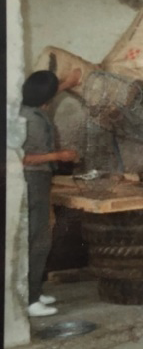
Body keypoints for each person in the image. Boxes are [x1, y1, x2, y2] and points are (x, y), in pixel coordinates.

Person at [21, 69, 81, 317]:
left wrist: (66, 83)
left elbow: (45, 95)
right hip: (33, 179)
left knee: (39, 236)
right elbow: (22, 158)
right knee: (38, 238)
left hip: (40, 179)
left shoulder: (27, 104)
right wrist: (58, 156)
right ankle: (30, 300)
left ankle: (33, 291)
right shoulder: (31, 120)